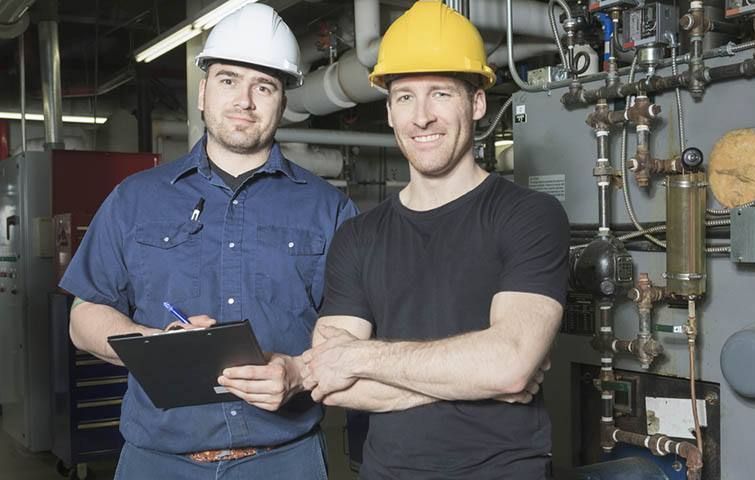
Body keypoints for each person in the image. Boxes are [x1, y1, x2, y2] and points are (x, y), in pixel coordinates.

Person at [59, 4, 356, 479]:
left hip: (286, 461)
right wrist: (156, 344)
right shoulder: (135, 200)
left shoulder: (329, 209)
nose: (245, 100)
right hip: (158, 462)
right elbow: (84, 318)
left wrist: (299, 372)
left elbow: (350, 331)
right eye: (228, 80)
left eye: (264, 86)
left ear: (282, 101)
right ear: (202, 92)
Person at [301, 2, 569, 479]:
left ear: (478, 103)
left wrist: (362, 357)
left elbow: (509, 366)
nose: (421, 117)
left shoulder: (529, 216)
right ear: (388, 111)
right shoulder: (357, 237)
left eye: (441, 93)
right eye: (405, 97)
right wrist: (479, 377)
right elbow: (330, 380)